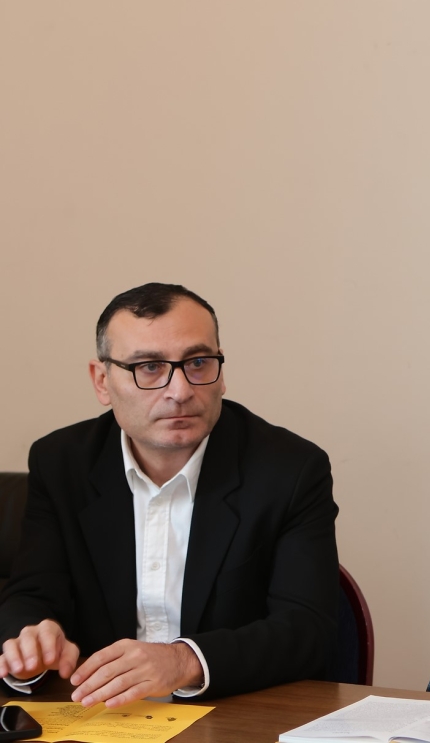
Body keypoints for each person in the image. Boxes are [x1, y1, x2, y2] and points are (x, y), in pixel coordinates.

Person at [0, 283, 339, 706]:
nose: (180, 391)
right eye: (149, 368)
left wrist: (184, 661)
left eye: (198, 363)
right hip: (103, 715)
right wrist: (30, 640)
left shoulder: (290, 469)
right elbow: (32, 594)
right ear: (102, 381)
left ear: (220, 372)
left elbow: (308, 629)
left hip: (233, 713)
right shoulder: (60, 463)